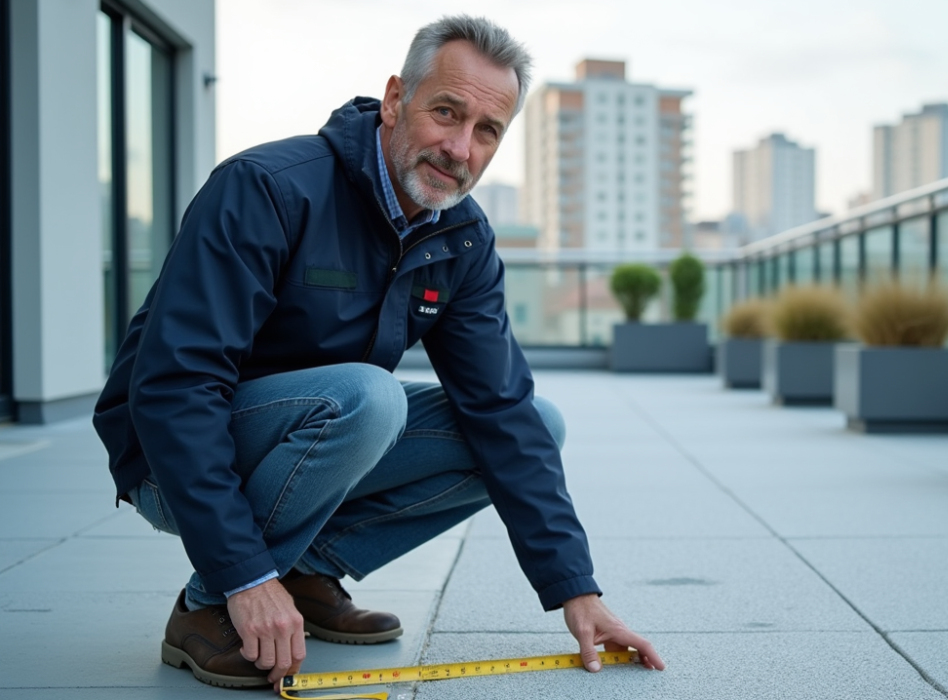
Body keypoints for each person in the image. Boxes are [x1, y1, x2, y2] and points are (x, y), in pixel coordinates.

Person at [93, 15, 665, 691]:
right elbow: (176, 386)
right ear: (396, 99)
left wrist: (578, 590)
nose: (460, 147)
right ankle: (206, 604)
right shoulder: (269, 188)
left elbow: (501, 411)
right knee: (369, 398)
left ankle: (306, 570)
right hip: (168, 457)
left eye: (487, 131)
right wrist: (242, 574)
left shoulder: (461, 239)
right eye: (445, 112)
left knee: (537, 423)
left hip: (309, 438)